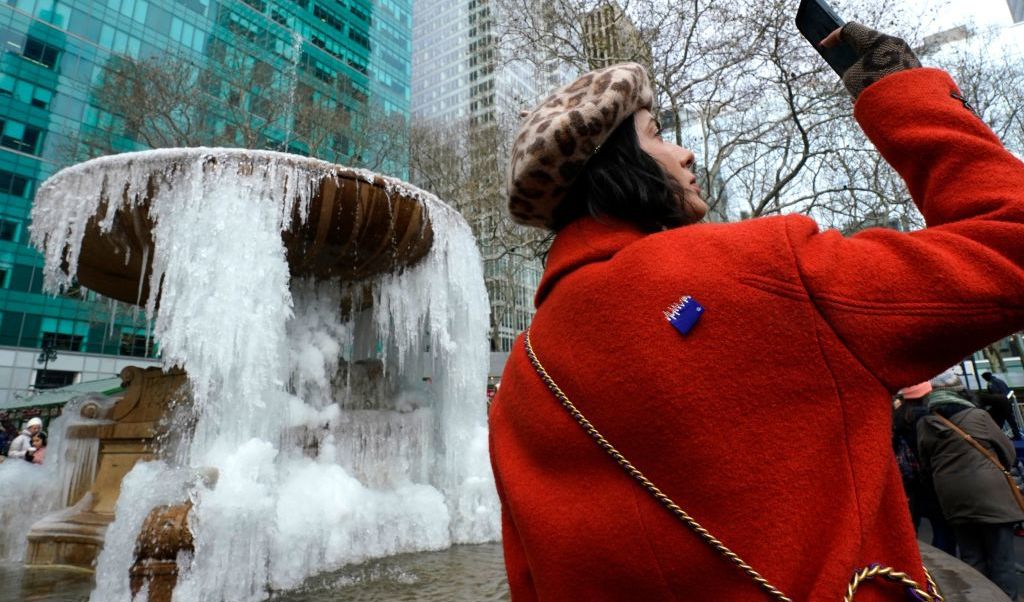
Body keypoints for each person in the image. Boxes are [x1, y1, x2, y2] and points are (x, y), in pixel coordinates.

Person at [489, 20, 1024, 602]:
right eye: (657, 133)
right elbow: (1010, 244)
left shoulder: (522, 377)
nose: (684, 149)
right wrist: (905, 92)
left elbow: (529, 582)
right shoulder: (757, 268)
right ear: (613, 163)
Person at [917, 386, 1024, 599]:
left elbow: (924, 462)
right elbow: (1008, 451)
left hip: (951, 496)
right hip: (991, 494)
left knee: (971, 558)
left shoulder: (925, 424)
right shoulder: (978, 416)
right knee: (1001, 559)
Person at [893, 381, 956, 555]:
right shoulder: (929, 417)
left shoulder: (896, 416)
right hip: (929, 478)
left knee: (912, 525)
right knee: (942, 527)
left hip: (907, 479)